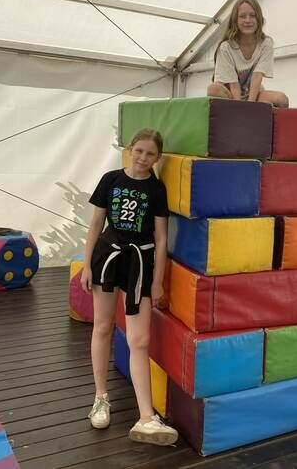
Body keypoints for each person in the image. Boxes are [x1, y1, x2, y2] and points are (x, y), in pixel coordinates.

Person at [81, 128, 178, 446]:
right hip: (107, 258)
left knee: (140, 339)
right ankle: (101, 397)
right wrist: (86, 265)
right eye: (139, 151)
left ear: (157, 158)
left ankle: (146, 417)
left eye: (150, 154)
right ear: (130, 149)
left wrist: (158, 280)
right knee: (103, 327)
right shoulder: (110, 180)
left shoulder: (157, 188)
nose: (143, 158)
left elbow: (161, 237)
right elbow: (96, 224)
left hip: (140, 264)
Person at [207, 0, 289, 107]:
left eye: (252, 15)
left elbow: (257, 76)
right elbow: (233, 84)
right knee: (213, 88)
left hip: (252, 94)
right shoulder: (226, 47)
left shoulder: (266, 43)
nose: (248, 20)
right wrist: (241, 109)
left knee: (282, 99)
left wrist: (250, 105)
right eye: (242, 16)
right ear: (235, 20)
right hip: (230, 95)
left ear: (259, 19)